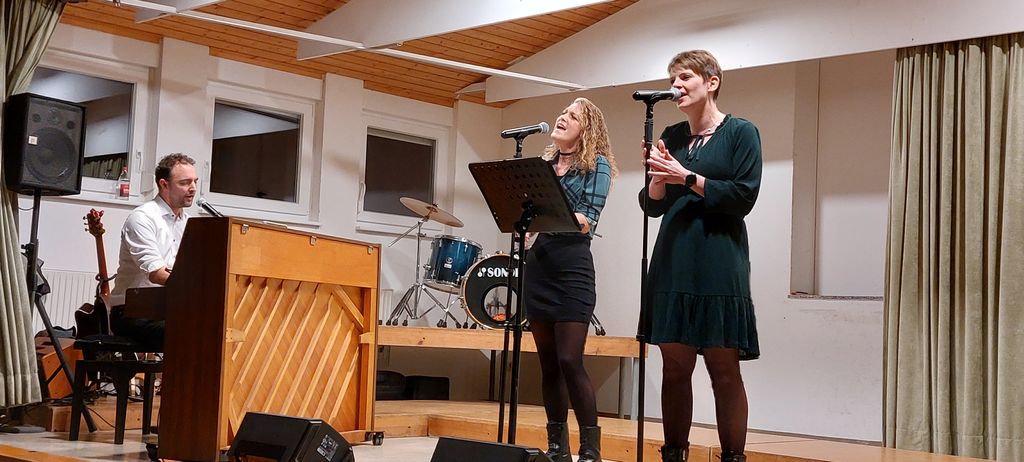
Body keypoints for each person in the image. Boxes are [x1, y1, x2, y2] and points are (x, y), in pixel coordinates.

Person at [640, 50, 762, 462]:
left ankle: (733, 457)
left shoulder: (741, 133)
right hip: (673, 261)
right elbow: (653, 205)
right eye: (672, 79)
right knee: (674, 370)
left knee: (723, 372)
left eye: (684, 77)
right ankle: (674, 454)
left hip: (718, 261)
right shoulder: (671, 135)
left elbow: (743, 196)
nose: (676, 86)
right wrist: (658, 180)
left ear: (711, 82)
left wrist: (687, 177)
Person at [525, 97, 617, 462]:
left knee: (569, 359)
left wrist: (545, 215)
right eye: (562, 112)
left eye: (572, 116)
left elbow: (586, 218)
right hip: (539, 266)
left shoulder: (597, 165)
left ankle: (590, 449)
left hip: (571, 268)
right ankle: (557, 449)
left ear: (586, 129)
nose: (562, 118)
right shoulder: (543, 167)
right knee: (548, 363)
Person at [108, 153, 198, 351]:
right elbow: (157, 274)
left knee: (216, 328)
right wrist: (197, 288)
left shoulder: (189, 222)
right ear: (164, 184)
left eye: (195, 181)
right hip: (131, 313)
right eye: (184, 183)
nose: (193, 188)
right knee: (192, 332)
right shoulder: (143, 218)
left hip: (169, 308)